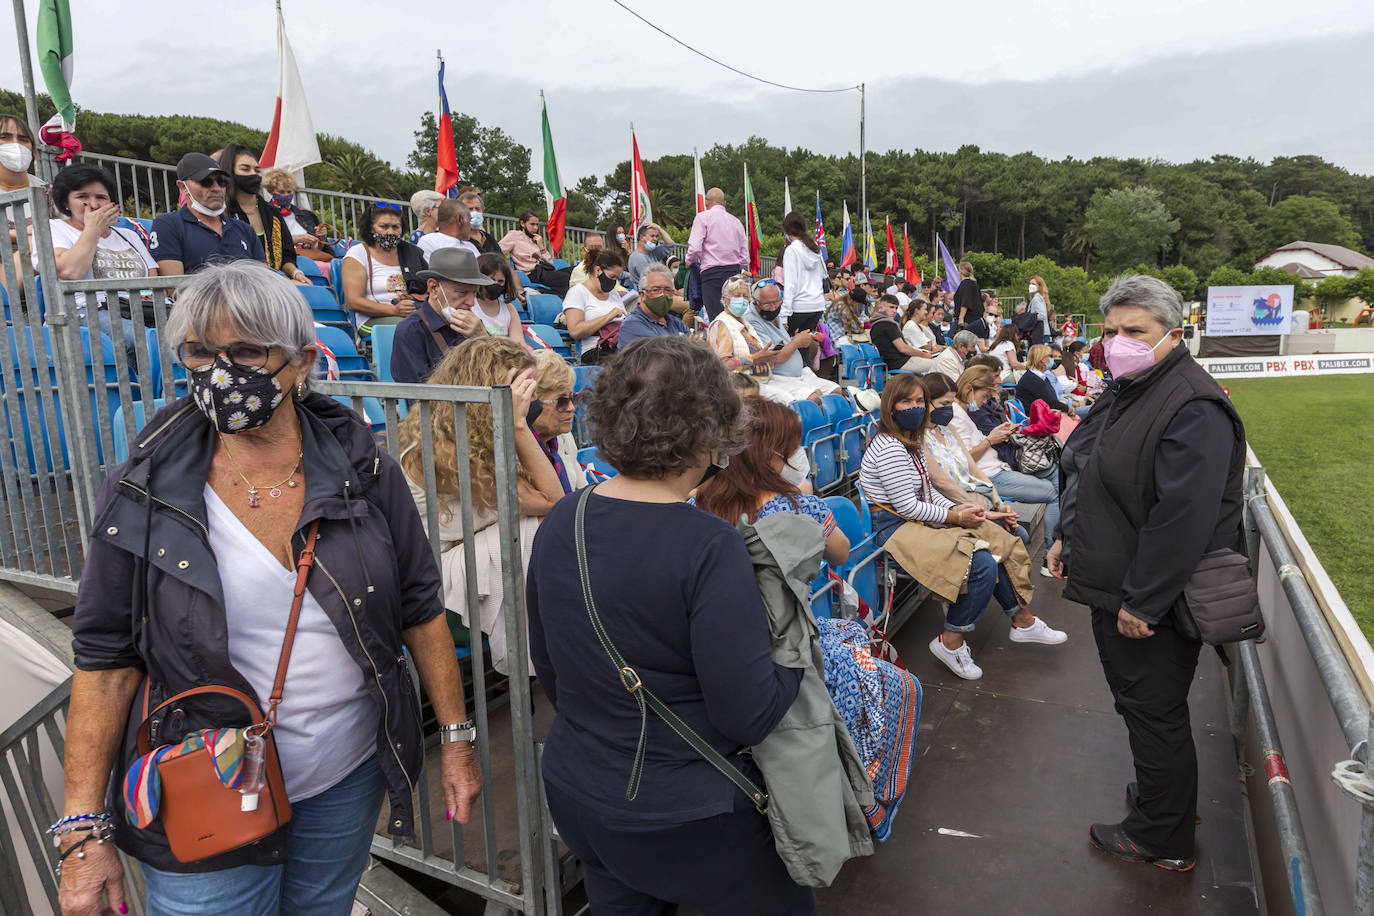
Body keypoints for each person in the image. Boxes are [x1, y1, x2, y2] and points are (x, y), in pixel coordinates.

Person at [58, 261, 481, 916]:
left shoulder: (364, 469)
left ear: (303, 360)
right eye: (200, 352)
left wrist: (455, 738)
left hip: (344, 775)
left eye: (248, 351)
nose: (220, 372)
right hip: (206, 784)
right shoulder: (141, 487)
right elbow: (106, 659)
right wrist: (83, 829)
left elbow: (419, 608)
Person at [526, 336, 815, 914]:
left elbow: (551, 671)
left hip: (579, 789)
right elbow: (748, 713)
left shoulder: (566, 516)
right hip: (686, 809)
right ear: (712, 430)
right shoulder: (708, 545)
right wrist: (800, 653)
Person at [1047, 275, 1246, 873]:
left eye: (1135, 331)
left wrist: (1143, 602)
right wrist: (1066, 536)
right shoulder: (1131, 386)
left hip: (1148, 599)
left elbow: (1180, 520)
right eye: (1111, 331)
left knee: (1153, 711)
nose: (1119, 342)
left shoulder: (1193, 405)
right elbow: (1091, 470)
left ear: (1174, 335)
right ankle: (1167, 802)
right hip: (1117, 579)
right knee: (1145, 709)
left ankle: (1162, 835)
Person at [857, 373, 1065, 681]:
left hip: (918, 517)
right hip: (895, 527)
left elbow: (928, 494)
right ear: (890, 406)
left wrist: (972, 511)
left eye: (919, 401)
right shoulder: (890, 447)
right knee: (982, 564)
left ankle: (1022, 620)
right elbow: (906, 507)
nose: (915, 407)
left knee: (1000, 541)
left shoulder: (910, 441)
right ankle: (951, 641)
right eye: (907, 402)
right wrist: (957, 516)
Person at [400, 337, 564, 675]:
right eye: (522, 394)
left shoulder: (481, 437)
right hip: (439, 584)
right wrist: (518, 425)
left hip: (479, 565)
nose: (531, 404)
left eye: (531, 394)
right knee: (538, 529)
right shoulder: (442, 447)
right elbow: (552, 502)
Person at [695, 396, 850, 566]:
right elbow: (841, 553)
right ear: (767, 456)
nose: (798, 453)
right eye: (792, 448)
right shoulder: (802, 508)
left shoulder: (697, 504)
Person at [43, 163, 158, 362]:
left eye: (101, 197)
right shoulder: (54, 228)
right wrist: (92, 230)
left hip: (137, 309)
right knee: (135, 340)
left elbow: (152, 277)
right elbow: (71, 272)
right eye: (82, 197)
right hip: (84, 311)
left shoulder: (127, 234)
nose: (93, 205)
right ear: (66, 202)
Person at [950, 366, 1061, 571]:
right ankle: (1051, 556)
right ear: (968, 388)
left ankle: (1054, 552)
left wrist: (997, 434)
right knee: (1055, 493)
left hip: (997, 469)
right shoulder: (956, 415)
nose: (985, 401)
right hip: (992, 475)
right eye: (984, 395)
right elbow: (964, 460)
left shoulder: (963, 411)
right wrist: (991, 439)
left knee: (1056, 477)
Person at [919, 372, 1029, 545]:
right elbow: (941, 483)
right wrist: (981, 511)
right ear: (925, 402)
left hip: (976, 501)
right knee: (1016, 538)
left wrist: (998, 503)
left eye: (952, 402)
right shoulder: (919, 437)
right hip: (953, 509)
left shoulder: (948, 429)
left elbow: (974, 469)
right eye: (944, 404)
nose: (950, 409)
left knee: (1019, 534)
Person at [149, 153, 264, 276]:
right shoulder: (168, 225)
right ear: (183, 187)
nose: (217, 188)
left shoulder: (245, 229)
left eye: (221, 182)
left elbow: (264, 281)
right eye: (205, 182)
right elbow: (173, 288)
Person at [391, 248, 494, 384]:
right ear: (433, 288)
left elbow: (501, 376)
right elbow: (419, 397)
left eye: (474, 293)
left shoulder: (473, 327)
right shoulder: (411, 331)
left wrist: (482, 338)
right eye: (462, 293)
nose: (471, 302)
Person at [219, 144, 310, 286]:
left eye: (256, 170)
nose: (253, 174)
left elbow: (286, 255)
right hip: (239, 285)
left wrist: (296, 273)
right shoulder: (223, 214)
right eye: (245, 169)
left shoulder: (272, 213)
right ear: (230, 173)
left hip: (274, 280)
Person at [745, 279, 843, 400]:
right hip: (777, 379)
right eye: (767, 304)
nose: (773, 308)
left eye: (777, 302)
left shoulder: (774, 315)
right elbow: (771, 359)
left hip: (799, 375)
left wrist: (798, 339)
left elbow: (781, 344)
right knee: (813, 398)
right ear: (755, 303)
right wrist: (797, 342)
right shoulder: (752, 321)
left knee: (835, 391)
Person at [340, 203, 428, 329]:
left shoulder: (411, 252)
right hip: (373, 320)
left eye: (395, 227)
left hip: (415, 315)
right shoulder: (358, 253)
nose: (390, 232)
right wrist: (394, 310)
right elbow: (353, 302)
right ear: (371, 228)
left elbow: (431, 286)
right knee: (413, 327)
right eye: (384, 226)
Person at [0, 113, 48, 303]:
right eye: (5, 137)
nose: (16, 145)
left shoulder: (46, 190)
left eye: (23, 139)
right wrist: (23, 234)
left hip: (42, 269)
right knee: (38, 243)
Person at [530, 349, 589, 493]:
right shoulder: (516, 448)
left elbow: (582, 492)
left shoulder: (563, 437)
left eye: (572, 398)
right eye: (561, 401)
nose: (571, 408)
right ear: (533, 402)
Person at [686, 188, 748, 321]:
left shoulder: (703, 217)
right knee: (736, 316)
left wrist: (689, 261)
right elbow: (744, 256)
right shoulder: (736, 222)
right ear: (724, 203)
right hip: (734, 272)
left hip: (712, 273)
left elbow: (695, 247)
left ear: (707, 202)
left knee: (717, 318)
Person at [563, 248, 630, 362]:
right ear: (598, 270)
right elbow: (575, 331)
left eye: (617, 278)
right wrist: (609, 316)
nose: (614, 282)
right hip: (595, 349)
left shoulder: (613, 294)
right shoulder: (577, 292)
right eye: (612, 277)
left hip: (619, 345)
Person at [262, 168, 331, 263]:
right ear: (271, 191)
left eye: (289, 192)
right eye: (281, 192)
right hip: (286, 261)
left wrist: (321, 238)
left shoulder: (306, 215)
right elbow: (265, 244)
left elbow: (319, 249)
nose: (286, 195)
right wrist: (295, 239)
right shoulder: (264, 214)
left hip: (311, 258)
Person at [499, 210, 571, 297]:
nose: (536, 228)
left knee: (574, 271)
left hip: (544, 270)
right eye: (532, 224)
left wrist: (540, 246)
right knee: (567, 278)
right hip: (531, 274)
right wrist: (506, 266)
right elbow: (497, 250)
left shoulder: (535, 239)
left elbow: (550, 263)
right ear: (522, 223)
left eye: (537, 225)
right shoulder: (514, 235)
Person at [778, 211, 827, 336]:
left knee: (787, 347)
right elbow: (823, 276)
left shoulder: (792, 250)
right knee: (805, 347)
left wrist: (784, 316)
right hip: (817, 305)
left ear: (786, 230)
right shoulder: (815, 248)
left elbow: (791, 284)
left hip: (799, 306)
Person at [618, 262, 688, 347]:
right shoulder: (631, 325)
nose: (663, 295)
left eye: (668, 290)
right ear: (642, 295)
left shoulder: (674, 322)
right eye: (656, 290)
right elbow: (664, 354)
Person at [868, 294, 938, 374]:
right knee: (939, 365)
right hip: (900, 363)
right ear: (881, 307)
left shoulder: (875, 324)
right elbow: (903, 348)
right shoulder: (887, 324)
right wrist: (923, 354)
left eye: (896, 308)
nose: (894, 311)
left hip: (896, 362)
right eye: (891, 307)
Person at [1016, 344, 1078, 420]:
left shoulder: (1040, 376)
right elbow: (1052, 403)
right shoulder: (1032, 379)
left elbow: (1053, 400)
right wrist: (1069, 409)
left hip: (1045, 415)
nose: (1053, 359)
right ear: (1042, 359)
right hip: (1037, 420)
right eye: (1050, 356)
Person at [473, 251, 524, 343]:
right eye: (491, 280)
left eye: (500, 281)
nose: (495, 284)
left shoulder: (509, 309)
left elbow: (519, 343)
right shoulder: (470, 306)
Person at [417, 199, 481, 263]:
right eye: (469, 220)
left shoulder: (470, 246)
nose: (471, 225)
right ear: (460, 220)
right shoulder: (429, 242)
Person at [456, 188, 504, 257]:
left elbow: (503, 263)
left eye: (477, 209)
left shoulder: (489, 239)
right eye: (469, 209)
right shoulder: (458, 240)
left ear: (482, 212)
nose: (474, 212)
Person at [951, 261, 985, 338]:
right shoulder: (974, 284)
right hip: (976, 318)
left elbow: (965, 303)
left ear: (960, 272)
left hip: (967, 319)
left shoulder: (965, 284)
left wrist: (961, 318)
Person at [1028, 276, 1052, 342]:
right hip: (1042, 332)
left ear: (1039, 286)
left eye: (1033, 284)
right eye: (1030, 284)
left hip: (1040, 333)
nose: (1030, 286)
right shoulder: (1038, 298)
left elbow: (1042, 315)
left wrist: (1030, 318)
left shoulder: (1037, 298)